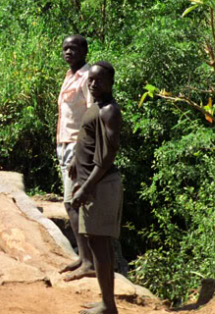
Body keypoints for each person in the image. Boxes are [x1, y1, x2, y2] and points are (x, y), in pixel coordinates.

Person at [70, 61, 123, 314]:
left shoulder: (109, 111)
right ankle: (106, 301)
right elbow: (90, 142)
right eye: (90, 80)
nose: (93, 84)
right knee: (96, 243)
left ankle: (108, 305)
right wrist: (75, 162)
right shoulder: (97, 106)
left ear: (111, 83)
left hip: (101, 187)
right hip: (92, 184)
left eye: (98, 80)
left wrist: (85, 187)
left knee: (100, 245)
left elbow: (107, 157)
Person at [57, 35, 95, 282]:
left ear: (84, 50)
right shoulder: (70, 75)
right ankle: (83, 257)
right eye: (65, 48)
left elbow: (93, 114)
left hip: (76, 147)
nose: (68, 51)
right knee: (70, 203)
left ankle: (89, 262)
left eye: (73, 47)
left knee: (73, 203)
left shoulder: (88, 77)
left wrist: (80, 152)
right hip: (64, 145)